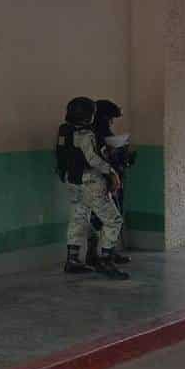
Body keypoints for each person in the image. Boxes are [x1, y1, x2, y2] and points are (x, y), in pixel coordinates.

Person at [57, 96, 129, 279]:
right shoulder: (85, 134)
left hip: (72, 181)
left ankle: (72, 260)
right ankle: (106, 261)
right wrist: (111, 171)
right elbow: (93, 159)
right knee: (114, 220)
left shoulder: (64, 131)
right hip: (90, 182)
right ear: (88, 115)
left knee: (78, 218)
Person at [90, 99, 134, 265]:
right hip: (105, 182)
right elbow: (102, 159)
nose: (112, 122)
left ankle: (101, 253)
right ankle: (106, 255)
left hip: (108, 180)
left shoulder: (98, 133)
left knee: (101, 218)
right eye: (110, 118)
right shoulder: (95, 135)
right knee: (109, 218)